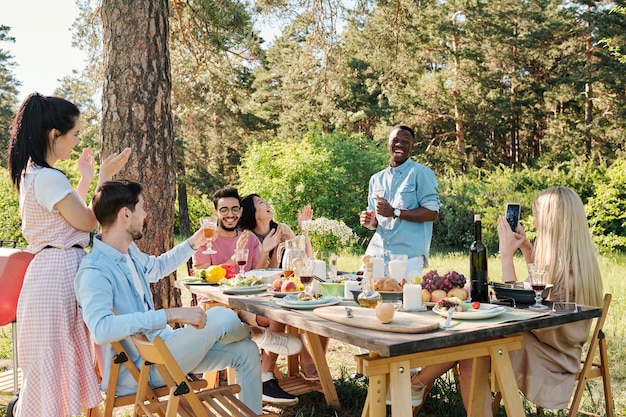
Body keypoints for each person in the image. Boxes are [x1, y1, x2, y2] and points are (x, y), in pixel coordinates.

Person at [74, 180, 303, 414]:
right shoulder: (95, 270)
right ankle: (259, 334)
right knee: (222, 316)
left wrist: (195, 242)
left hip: (163, 350)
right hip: (143, 367)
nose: (145, 214)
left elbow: (157, 268)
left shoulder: (128, 252)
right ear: (125, 214)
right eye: (141, 207)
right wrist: (170, 314)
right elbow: (101, 329)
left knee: (244, 352)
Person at [408, 186, 604, 414]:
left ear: (552, 221)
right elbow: (539, 294)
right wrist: (528, 250)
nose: (535, 222)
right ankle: (416, 383)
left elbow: (521, 309)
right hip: (540, 343)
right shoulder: (577, 265)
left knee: (471, 348)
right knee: (471, 344)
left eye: (538, 215)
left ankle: (416, 383)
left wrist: (506, 256)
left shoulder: (569, 276)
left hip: (552, 358)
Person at [6, 92, 131, 417]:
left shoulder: (35, 174)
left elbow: (67, 218)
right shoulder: (47, 178)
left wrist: (87, 179)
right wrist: (103, 177)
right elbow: (88, 221)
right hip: (56, 276)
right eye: (74, 134)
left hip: (50, 273)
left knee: (51, 370)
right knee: (51, 369)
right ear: (54, 135)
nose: (76, 141)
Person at [239, 193, 329, 400]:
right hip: (254, 304)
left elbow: (306, 261)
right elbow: (252, 277)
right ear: (253, 213)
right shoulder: (248, 238)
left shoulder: (282, 229)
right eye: (260, 202)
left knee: (320, 311)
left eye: (265, 200)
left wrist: (303, 230)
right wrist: (267, 251)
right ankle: (276, 373)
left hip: (283, 295)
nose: (267, 202)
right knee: (278, 316)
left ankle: (315, 366)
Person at [359, 125, 440, 276]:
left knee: (404, 299)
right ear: (388, 144)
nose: (400, 144)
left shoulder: (420, 173)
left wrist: (395, 212)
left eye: (405, 141)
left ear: (412, 147)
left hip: (408, 258)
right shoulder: (376, 179)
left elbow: (432, 213)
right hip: (376, 254)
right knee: (363, 295)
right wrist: (369, 221)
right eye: (395, 140)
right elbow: (376, 222)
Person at [193, 187, 279, 271]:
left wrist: (265, 251)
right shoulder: (203, 239)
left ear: (241, 211)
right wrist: (236, 257)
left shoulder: (250, 239)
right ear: (216, 213)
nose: (230, 214)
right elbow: (205, 277)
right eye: (224, 210)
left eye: (235, 209)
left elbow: (256, 275)